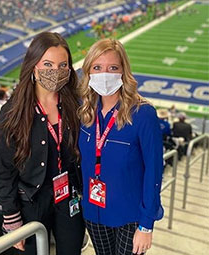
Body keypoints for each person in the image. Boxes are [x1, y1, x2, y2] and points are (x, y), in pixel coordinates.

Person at [0, 32, 85, 255]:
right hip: (31, 202)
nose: (55, 71)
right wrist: (11, 217)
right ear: (33, 65)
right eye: (48, 63)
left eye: (62, 65)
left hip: (68, 196)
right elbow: (4, 171)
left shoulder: (75, 104)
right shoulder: (13, 112)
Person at [78, 38, 164, 255]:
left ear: (123, 71)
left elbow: (154, 171)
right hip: (94, 211)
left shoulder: (143, 114)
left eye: (112, 68)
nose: (104, 74)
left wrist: (147, 224)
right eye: (97, 68)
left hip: (130, 216)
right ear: (88, 72)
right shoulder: (85, 111)